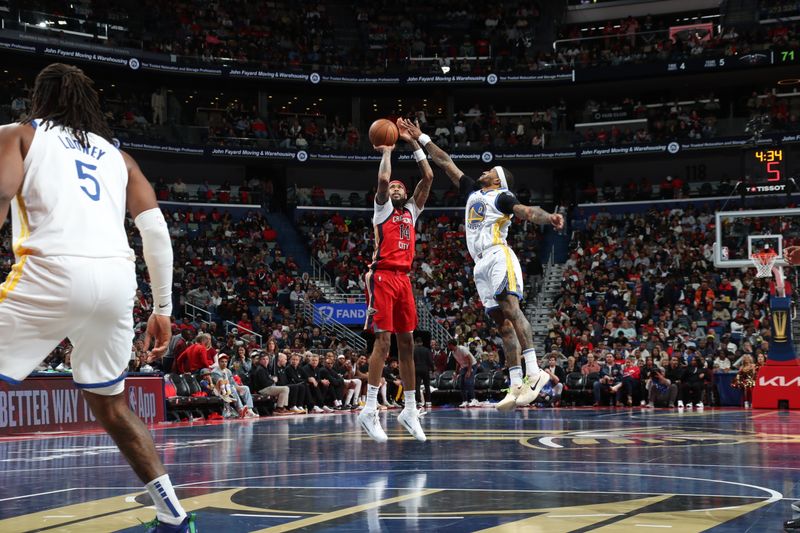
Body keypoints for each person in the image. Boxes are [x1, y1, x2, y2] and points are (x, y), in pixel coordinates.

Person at [0, 63, 193, 532]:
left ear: (39, 99)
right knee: (112, 404)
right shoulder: (119, 158)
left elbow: (1, 197)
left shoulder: (18, 135)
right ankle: (174, 516)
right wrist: (163, 309)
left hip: (50, 270)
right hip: (115, 282)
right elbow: (156, 232)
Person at [403, 119, 564, 411]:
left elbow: (527, 211)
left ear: (498, 180)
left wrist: (548, 218)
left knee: (513, 310)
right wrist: (420, 138)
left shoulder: (502, 197)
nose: (484, 171)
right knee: (501, 325)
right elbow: (444, 161)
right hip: (479, 264)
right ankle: (516, 383)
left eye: (490, 171)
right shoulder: (473, 192)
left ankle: (535, 371)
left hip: (498, 255)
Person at [357, 119, 433, 443]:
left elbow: (428, 176)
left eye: (401, 188)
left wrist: (414, 142)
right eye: (394, 189)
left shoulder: (412, 212)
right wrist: (388, 149)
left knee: (408, 345)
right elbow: (384, 178)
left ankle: (410, 410)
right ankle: (370, 409)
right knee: (383, 342)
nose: (396, 189)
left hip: (404, 281)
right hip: (383, 277)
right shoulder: (382, 210)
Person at [413, 336, 434, 408]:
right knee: (427, 386)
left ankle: (418, 401)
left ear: (415, 343)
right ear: (421, 343)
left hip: (416, 369)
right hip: (425, 369)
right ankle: (428, 402)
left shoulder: (414, 350)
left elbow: (411, 361)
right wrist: (433, 369)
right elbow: (430, 361)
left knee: (417, 386)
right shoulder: (427, 350)